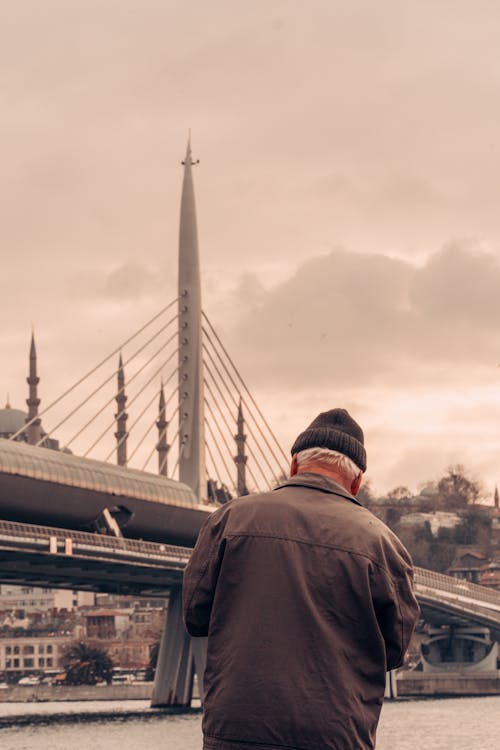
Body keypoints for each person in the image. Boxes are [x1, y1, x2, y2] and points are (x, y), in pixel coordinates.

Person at [183, 409, 419, 750]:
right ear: (357, 482)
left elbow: (194, 615)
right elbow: (394, 649)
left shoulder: (229, 520)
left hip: (235, 732)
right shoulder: (382, 545)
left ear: (294, 464)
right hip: (336, 736)